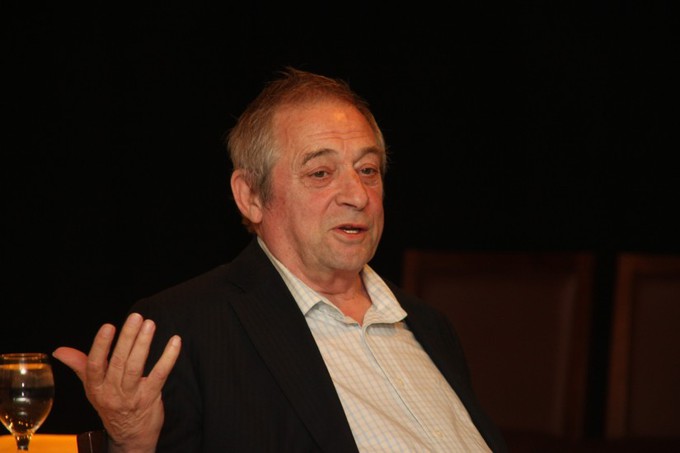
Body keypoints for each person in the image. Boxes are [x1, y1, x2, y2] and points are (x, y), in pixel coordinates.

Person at [54, 67, 508, 452]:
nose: (357, 195)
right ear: (251, 196)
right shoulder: (186, 328)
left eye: (368, 170)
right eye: (321, 172)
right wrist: (133, 443)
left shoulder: (430, 325)